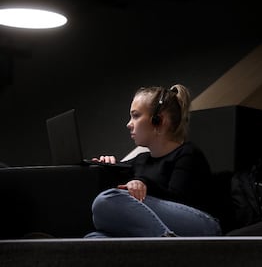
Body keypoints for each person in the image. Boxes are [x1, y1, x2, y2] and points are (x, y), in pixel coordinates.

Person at [85, 84, 222, 238]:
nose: (129, 124)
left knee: (106, 201)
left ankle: (166, 247)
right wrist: (106, 167)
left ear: (159, 120)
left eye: (135, 116)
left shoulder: (188, 154)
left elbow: (180, 200)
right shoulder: (140, 160)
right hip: (165, 226)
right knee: (94, 238)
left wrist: (144, 184)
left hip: (203, 225)